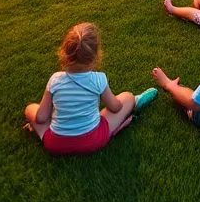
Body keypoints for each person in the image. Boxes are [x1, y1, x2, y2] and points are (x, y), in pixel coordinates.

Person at [24, 23, 157, 155]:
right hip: (93, 141)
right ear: (95, 56)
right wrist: (117, 103)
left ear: (64, 52)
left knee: (30, 108)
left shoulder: (55, 80)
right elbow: (115, 108)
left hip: (56, 145)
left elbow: (41, 118)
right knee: (127, 97)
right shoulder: (98, 79)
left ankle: (38, 128)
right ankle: (134, 103)